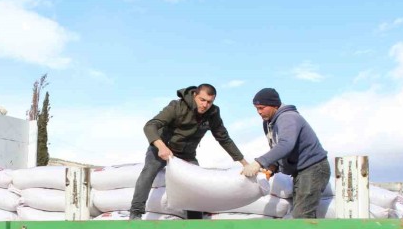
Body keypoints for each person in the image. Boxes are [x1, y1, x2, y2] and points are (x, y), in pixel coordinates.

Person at [129, 84, 248, 219]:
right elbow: (150, 126)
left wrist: (245, 163)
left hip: (186, 154)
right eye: (202, 100)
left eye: (209, 102)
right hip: (163, 146)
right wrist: (161, 147)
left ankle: (195, 220)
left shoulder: (213, 113)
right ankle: (136, 213)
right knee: (149, 171)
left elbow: (224, 139)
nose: (205, 105)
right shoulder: (177, 107)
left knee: (195, 183)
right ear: (194, 96)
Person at [242, 88, 330, 218]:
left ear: (275, 105)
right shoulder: (268, 123)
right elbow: (276, 148)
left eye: (262, 107)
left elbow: (286, 145)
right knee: (300, 213)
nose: (259, 112)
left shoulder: (288, 118)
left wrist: (259, 162)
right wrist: (271, 168)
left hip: (313, 168)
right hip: (300, 172)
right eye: (256, 108)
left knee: (301, 215)